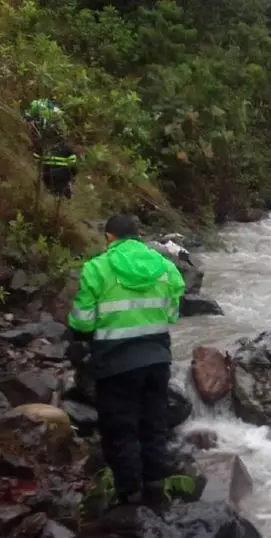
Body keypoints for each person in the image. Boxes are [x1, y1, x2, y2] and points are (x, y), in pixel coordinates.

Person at [66, 214, 186, 508]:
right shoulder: (165, 267)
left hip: (115, 362)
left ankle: (130, 499)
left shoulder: (97, 268)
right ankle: (156, 489)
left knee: (121, 430)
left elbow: (83, 322)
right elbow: (172, 313)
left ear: (109, 237)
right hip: (157, 359)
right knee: (154, 425)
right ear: (138, 235)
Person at [24, 98, 78, 199]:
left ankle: (56, 192)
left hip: (49, 173)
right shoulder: (65, 148)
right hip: (59, 174)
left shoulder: (40, 112)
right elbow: (73, 166)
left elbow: (38, 158)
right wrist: (73, 175)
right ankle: (61, 190)